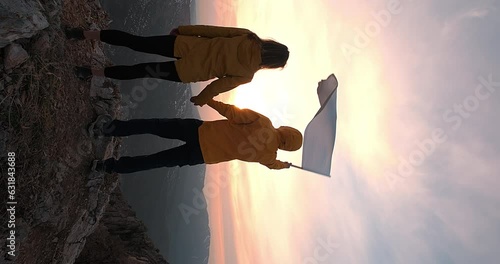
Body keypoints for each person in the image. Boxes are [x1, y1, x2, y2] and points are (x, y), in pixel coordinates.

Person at [66, 25, 290, 106]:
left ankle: (83, 34)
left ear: (272, 44)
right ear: (271, 64)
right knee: (141, 71)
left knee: (136, 42)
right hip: (185, 71)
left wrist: (184, 30)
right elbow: (216, 87)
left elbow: (212, 31)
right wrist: (200, 100)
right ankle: (89, 72)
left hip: (183, 45)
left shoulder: (248, 36)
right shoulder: (247, 75)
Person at [90, 99, 302, 174]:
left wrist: (208, 100)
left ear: (287, 130)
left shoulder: (263, 122)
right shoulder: (268, 157)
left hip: (199, 131)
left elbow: (232, 112)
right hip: (200, 155)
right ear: (286, 147)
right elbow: (274, 165)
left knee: (153, 126)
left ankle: (108, 128)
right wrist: (285, 165)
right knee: (154, 162)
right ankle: (107, 167)